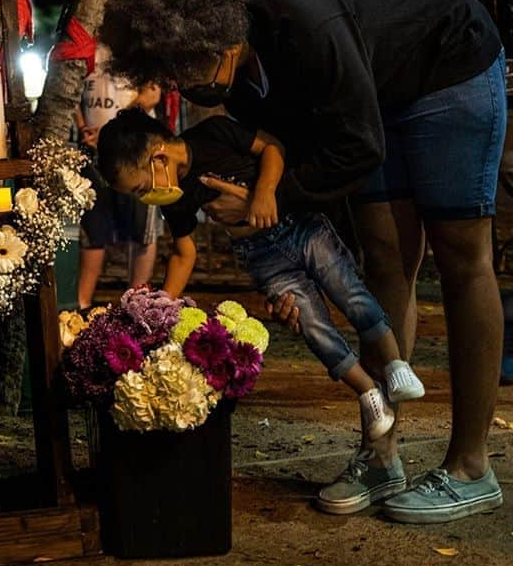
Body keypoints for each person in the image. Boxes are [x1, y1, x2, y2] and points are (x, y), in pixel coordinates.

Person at [101, 0, 505, 524]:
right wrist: (283, 258)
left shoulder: (304, 22)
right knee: (385, 260)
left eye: (187, 71)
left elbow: (357, 148)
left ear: (220, 41)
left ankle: (470, 467)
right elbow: (301, 152)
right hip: (374, 95)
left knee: (462, 257)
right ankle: (380, 452)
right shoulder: (235, 84)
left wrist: (271, 203)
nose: (183, 86)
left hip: (447, 61)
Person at [99, 108, 425, 455]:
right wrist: (161, 307)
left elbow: (271, 148)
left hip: (300, 226)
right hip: (261, 256)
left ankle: (396, 365)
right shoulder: (176, 197)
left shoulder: (214, 133)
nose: (144, 197)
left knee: (351, 292)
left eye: (141, 188)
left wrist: (265, 192)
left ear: (157, 157)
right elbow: (184, 253)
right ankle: (368, 394)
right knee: (313, 326)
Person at [76, 45, 161, 308]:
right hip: (92, 149)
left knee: (141, 228)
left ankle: (136, 302)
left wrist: (111, 131)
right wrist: (84, 128)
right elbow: (70, 94)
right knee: (93, 225)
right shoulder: (83, 45)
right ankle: (82, 302)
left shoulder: (140, 48)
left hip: (134, 149)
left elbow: (151, 94)